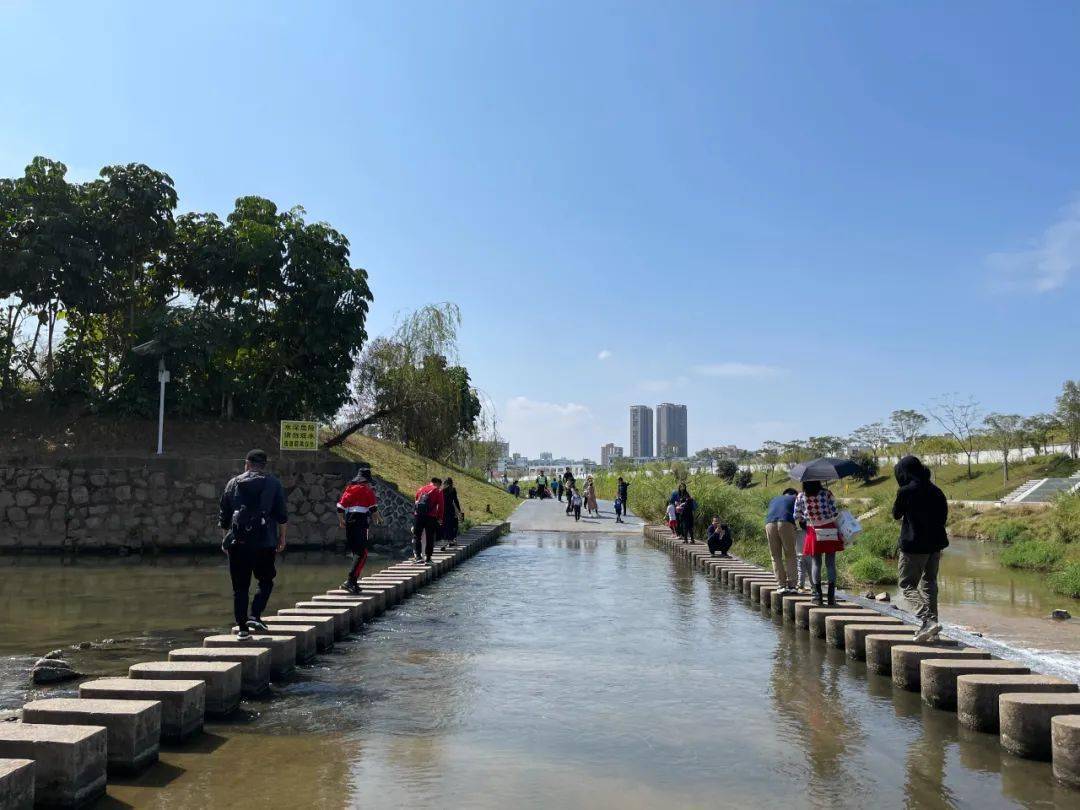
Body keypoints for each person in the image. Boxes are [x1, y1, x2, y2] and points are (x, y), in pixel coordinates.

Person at [219, 449, 288, 639]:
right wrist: (282, 537)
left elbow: (224, 516)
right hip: (265, 542)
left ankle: (242, 629)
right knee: (265, 580)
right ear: (264, 465)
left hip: (238, 542)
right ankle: (255, 614)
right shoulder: (273, 484)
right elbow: (282, 515)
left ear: (246, 463)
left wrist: (226, 539)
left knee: (240, 587)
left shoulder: (233, 483)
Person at [892, 455, 949, 642]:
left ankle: (928, 621)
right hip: (935, 545)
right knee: (929, 584)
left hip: (914, 546)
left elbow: (896, 514)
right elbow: (943, 518)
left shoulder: (906, 491)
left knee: (907, 585)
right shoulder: (937, 491)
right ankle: (933, 631)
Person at [794, 480, 844, 605]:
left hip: (813, 530)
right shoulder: (827, 494)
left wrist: (806, 519)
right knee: (831, 563)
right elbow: (834, 512)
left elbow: (797, 515)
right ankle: (831, 598)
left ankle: (817, 597)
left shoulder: (801, 496)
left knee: (816, 563)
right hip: (829, 528)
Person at [336, 467, 379, 594]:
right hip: (361, 523)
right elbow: (373, 510)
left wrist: (341, 520)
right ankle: (350, 580)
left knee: (356, 552)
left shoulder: (349, 490)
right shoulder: (368, 491)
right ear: (366, 481)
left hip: (349, 522)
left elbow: (340, 508)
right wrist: (376, 520)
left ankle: (353, 582)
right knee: (363, 553)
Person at [765, 488, 799, 594]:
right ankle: (792, 586)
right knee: (790, 554)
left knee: (775, 556)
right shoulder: (796, 499)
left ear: (784, 494)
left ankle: (781, 585)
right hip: (786, 522)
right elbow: (800, 516)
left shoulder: (775, 499)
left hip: (769, 523)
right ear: (795, 494)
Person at [412, 477, 444, 564]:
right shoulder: (438, 491)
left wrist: (415, 515)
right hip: (430, 517)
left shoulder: (421, 489)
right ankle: (428, 558)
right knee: (430, 537)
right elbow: (441, 506)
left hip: (418, 515)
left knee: (416, 536)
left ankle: (418, 557)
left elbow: (416, 502)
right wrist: (440, 518)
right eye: (440, 485)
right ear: (437, 483)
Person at [440, 477, 464, 551]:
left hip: (444, 510)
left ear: (445, 483)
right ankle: (452, 541)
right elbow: (456, 501)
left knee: (445, 526)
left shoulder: (442, 490)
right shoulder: (453, 490)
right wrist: (459, 511)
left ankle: (444, 543)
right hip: (451, 510)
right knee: (453, 525)